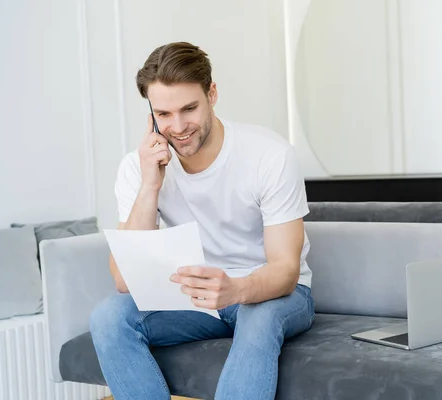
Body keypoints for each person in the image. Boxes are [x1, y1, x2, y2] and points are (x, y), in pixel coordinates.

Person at [89, 41, 315, 400]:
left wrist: (236, 290)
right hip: (196, 301)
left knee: (257, 320)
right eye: (163, 114)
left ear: (212, 94)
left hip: (272, 293)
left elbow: (286, 270)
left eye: (189, 109)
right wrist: (150, 185)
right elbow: (123, 279)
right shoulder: (139, 166)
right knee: (108, 317)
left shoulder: (269, 155)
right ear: (150, 113)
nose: (178, 127)